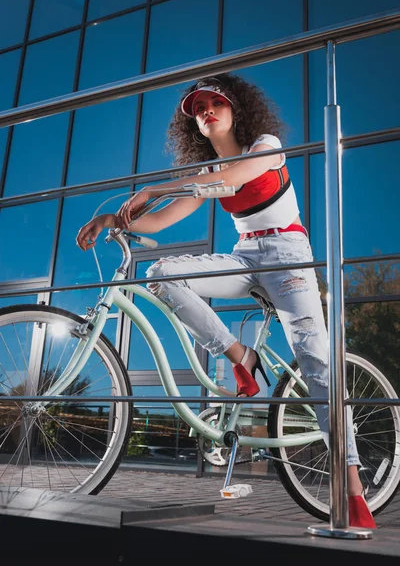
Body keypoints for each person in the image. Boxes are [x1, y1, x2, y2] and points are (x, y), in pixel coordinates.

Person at [76, 73, 376, 528]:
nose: (206, 111)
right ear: (193, 126)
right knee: (162, 273)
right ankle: (242, 356)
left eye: (215, 103)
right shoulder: (203, 175)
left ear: (238, 111)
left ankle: (354, 488)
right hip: (244, 256)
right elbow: (162, 221)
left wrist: (156, 188)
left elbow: (228, 179)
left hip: (288, 257)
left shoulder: (265, 145)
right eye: (197, 109)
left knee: (316, 363)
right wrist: (113, 219)